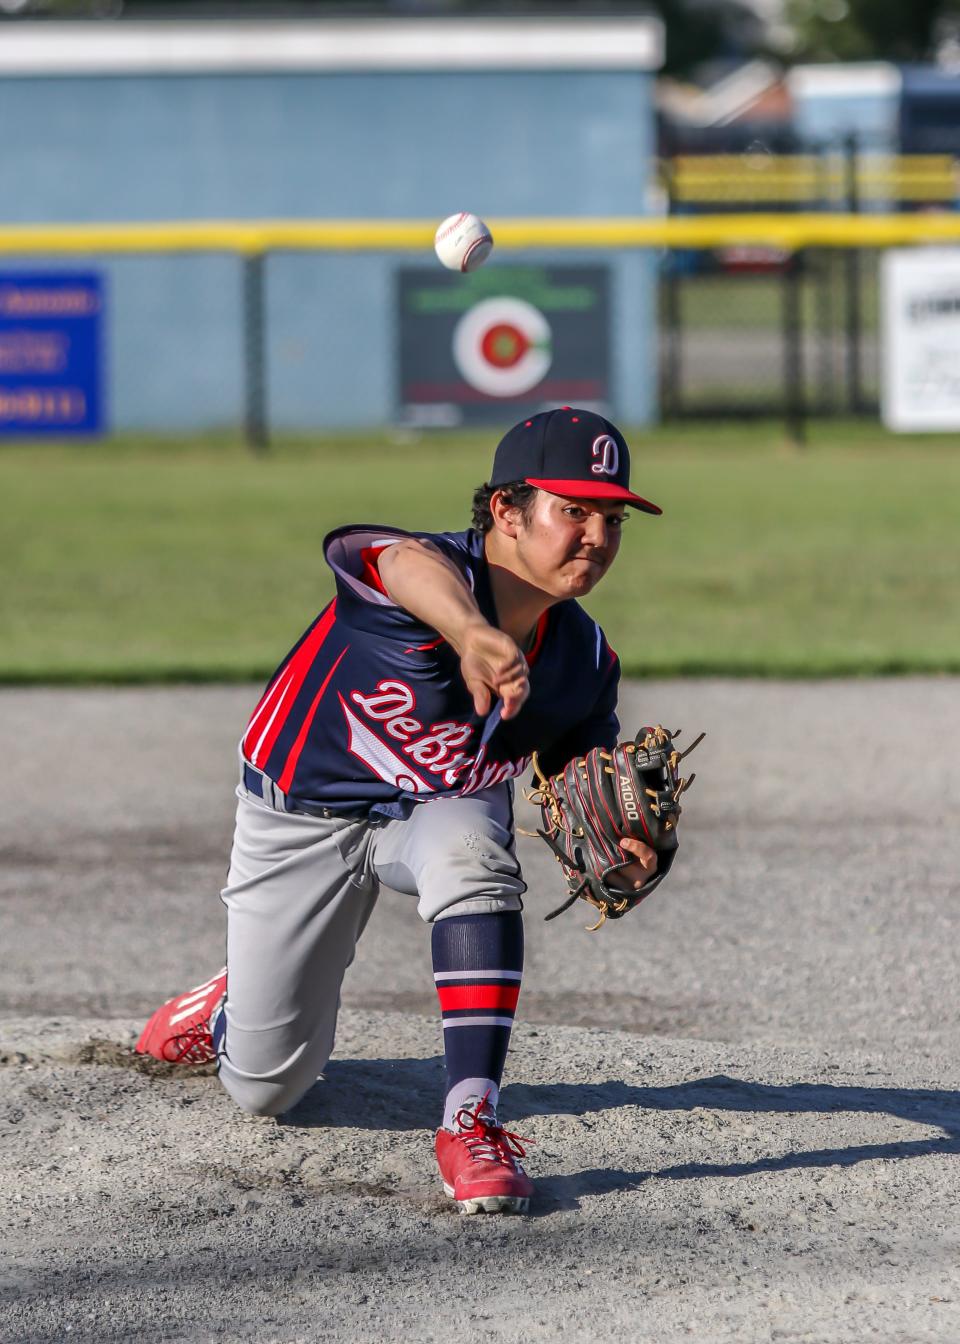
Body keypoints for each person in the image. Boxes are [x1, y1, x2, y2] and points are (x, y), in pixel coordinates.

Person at [137, 406, 664, 1215]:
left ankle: (470, 1120)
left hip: (437, 810)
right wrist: (470, 631)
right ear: (505, 511)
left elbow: (579, 783)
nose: (595, 536)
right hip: (301, 818)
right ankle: (230, 1002)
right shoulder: (410, 577)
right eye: (573, 510)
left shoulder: (585, 659)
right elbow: (398, 558)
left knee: (476, 859)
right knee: (268, 1087)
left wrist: (627, 846)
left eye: (612, 517)